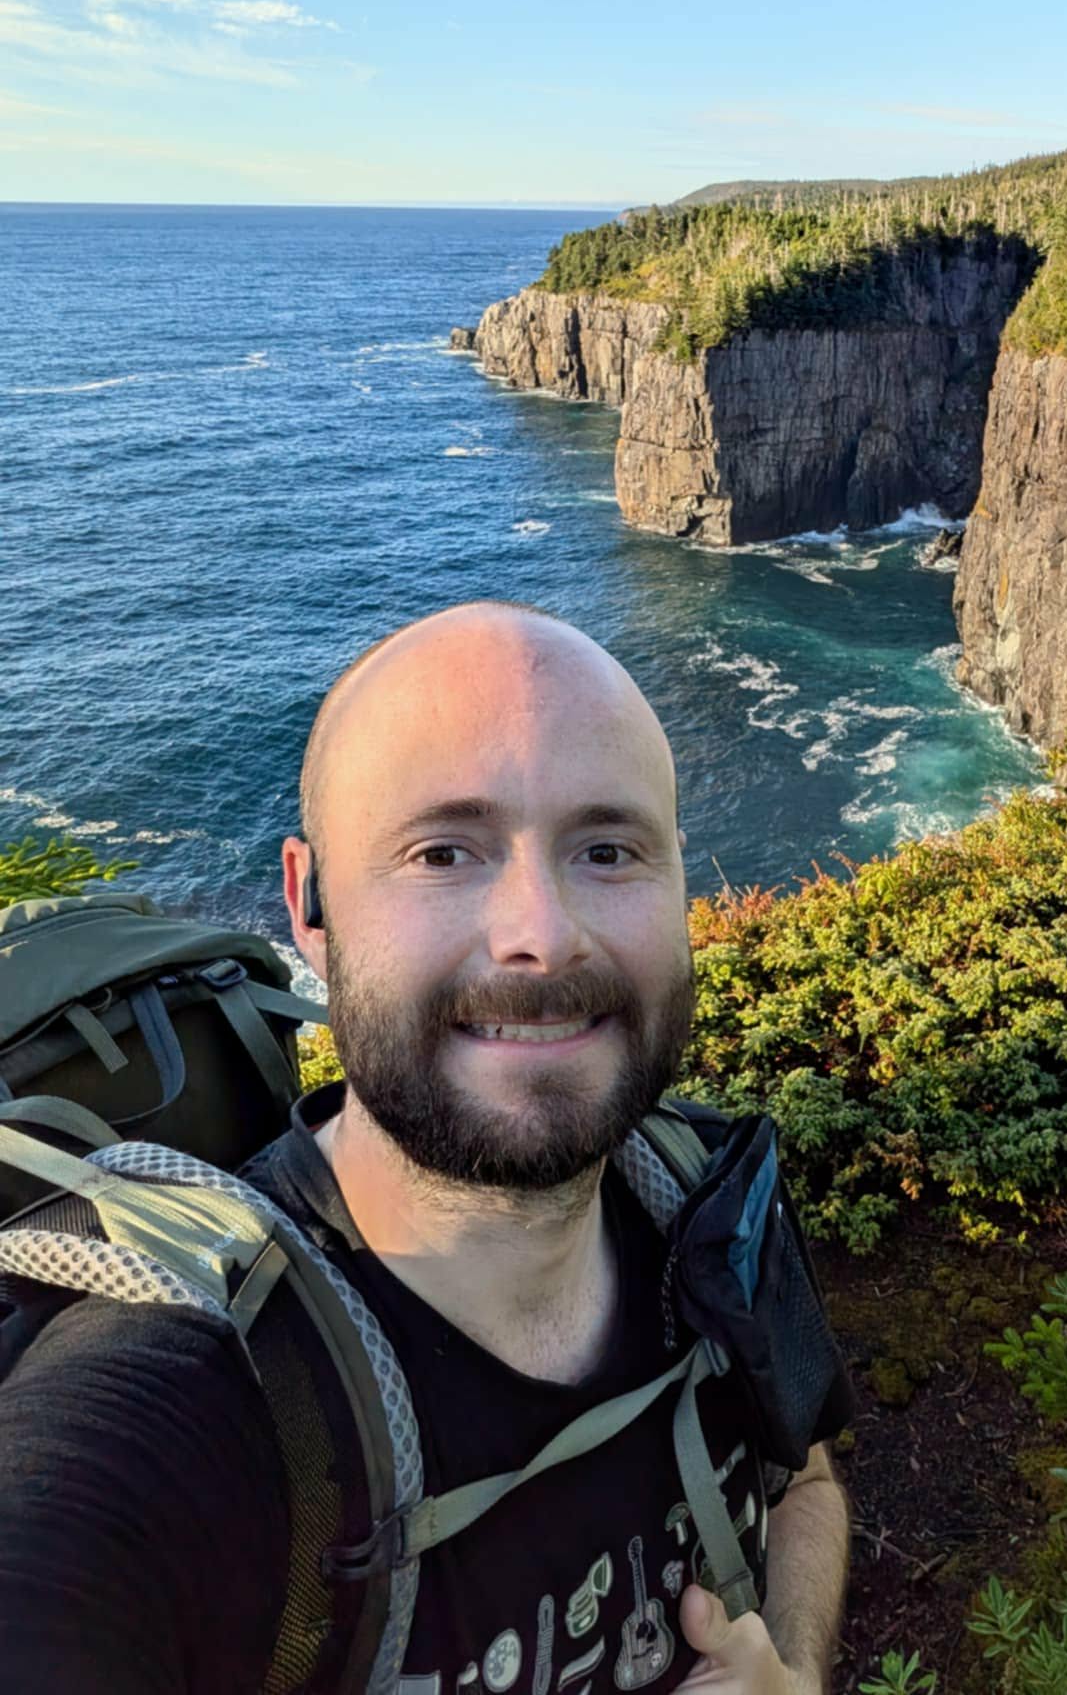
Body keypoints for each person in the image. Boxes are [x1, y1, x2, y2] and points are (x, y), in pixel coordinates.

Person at [0, 600, 852, 1694]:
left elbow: (804, 1479)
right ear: (308, 905)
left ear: (681, 876)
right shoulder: (187, 1400)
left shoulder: (705, 1198)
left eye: (609, 847)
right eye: (445, 850)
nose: (539, 932)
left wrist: (793, 1667)